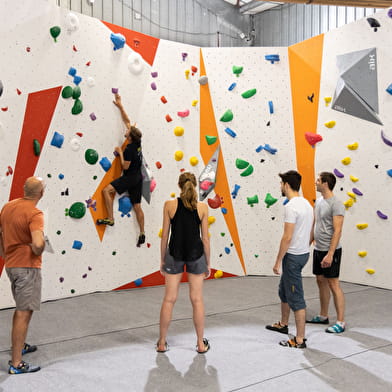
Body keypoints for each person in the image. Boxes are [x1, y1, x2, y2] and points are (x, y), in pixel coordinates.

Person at [157, 172, 211, 354]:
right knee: (197, 300)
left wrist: (162, 259)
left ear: (179, 185)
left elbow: (165, 236)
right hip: (196, 255)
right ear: (195, 185)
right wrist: (208, 263)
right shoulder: (202, 208)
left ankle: (162, 343)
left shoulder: (169, 205)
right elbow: (205, 239)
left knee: (169, 299)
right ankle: (200, 344)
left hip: (174, 254)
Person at [0, 176, 45, 374]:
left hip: (12, 265)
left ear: (24, 189)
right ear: (41, 194)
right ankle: (16, 363)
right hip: (27, 267)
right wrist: (40, 247)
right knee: (23, 312)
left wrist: (5, 254)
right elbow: (37, 244)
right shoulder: (35, 213)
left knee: (24, 309)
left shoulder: (8, 207)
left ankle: (21, 345)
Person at [266, 170, 313, 348]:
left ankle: (299, 339)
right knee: (284, 291)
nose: (280, 187)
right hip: (302, 254)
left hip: (293, 257)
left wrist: (278, 261)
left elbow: (287, 237)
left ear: (286, 185)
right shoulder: (306, 204)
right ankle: (284, 324)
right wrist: (304, 247)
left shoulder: (291, 206)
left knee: (296, 298)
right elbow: (310, 228)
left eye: (281, 184)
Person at [97, 93, 145, 247]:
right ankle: (142, 232)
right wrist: (120, 105)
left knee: (106, 191)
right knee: (137, 206)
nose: (126, 131)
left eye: (127, 132)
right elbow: (127, 121)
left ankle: (110, 219)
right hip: (139, 177)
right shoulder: (137, 143)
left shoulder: (130, 149)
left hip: (130, 177)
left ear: (130, 137)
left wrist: (121, 152)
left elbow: (125, 166)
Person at [307, 172, 346, 333]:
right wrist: (307, 244)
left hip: (331, 251)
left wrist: (330, 254)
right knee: (320, 281)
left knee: (333, 284)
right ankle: (323, 316)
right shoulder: (320, 201)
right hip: (319, 249)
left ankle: (341, 322)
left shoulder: (336, 204)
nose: (315, 182)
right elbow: (314, 224)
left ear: (325, 184)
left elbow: (338, 231)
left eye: (318, 180)